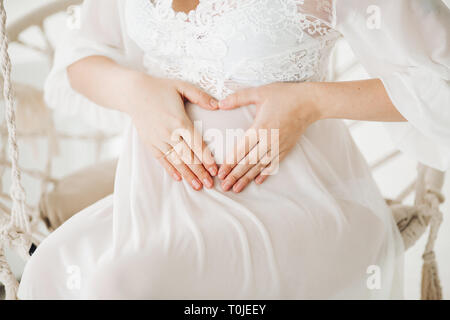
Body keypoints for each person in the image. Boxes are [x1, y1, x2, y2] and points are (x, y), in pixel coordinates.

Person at [18, 0, 449, 299]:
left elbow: (441, 83)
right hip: (158, 203)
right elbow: (81, 58)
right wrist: (135, 91)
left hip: (298, 204)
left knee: (124, 284)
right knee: (51, 268)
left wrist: (311, 101)